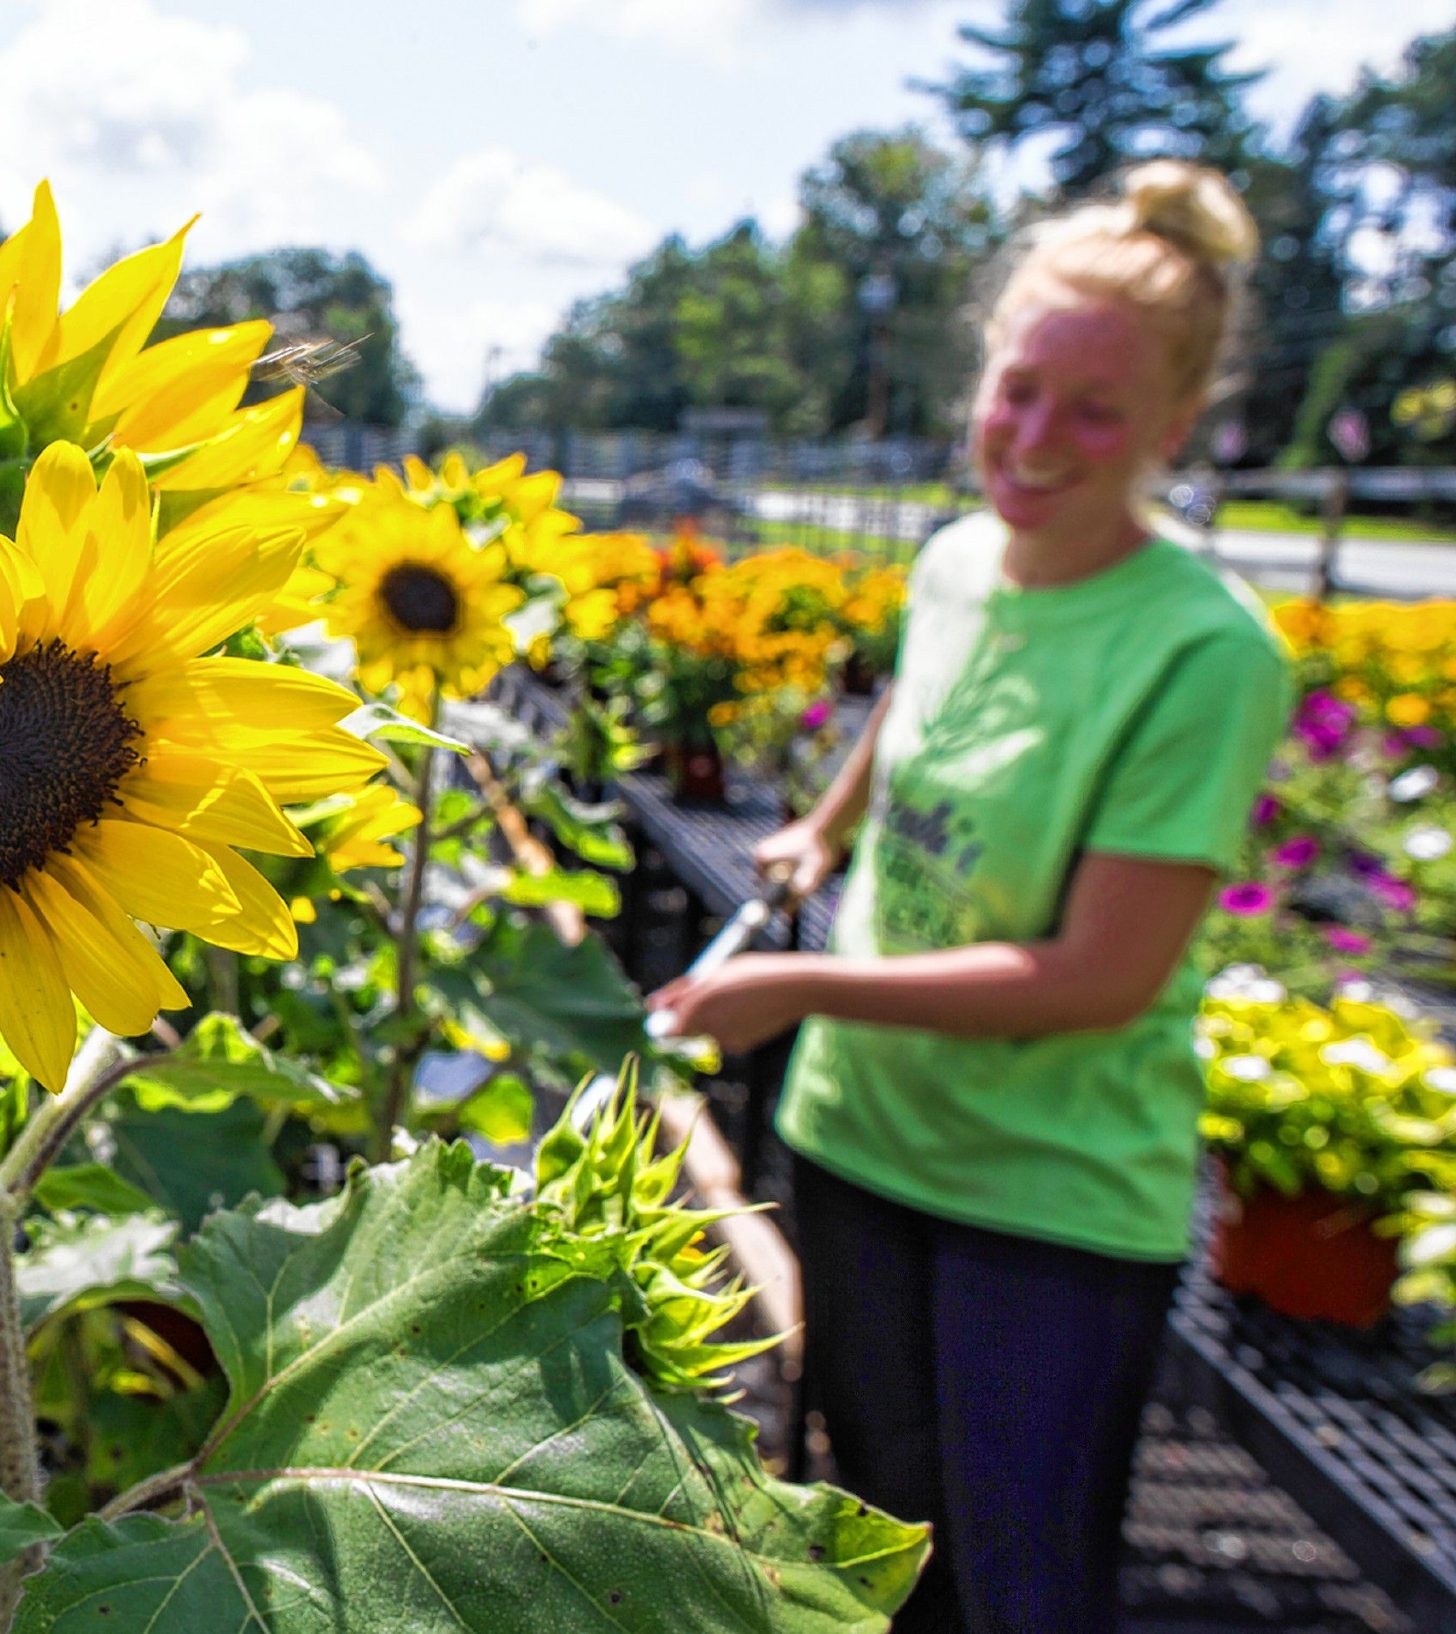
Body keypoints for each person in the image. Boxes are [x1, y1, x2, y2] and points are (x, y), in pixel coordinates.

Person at [644, 160, 1291, 1634]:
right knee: (884, 1541)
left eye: (1096, 411)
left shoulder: (1204, 651)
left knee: (1020, 1588)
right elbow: (911, 713)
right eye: (1016, 390)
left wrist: (800, 986)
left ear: (1178, 430)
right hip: (862, 1143)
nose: (1036, 439)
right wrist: (819, 822)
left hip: (1043, 1199)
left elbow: (1097, 973)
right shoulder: (952, 565)